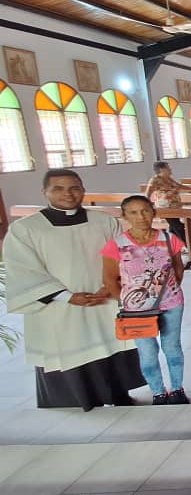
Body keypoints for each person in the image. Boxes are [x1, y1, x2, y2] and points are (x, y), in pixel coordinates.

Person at [4, 169, 145, 410]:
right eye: (58, 188)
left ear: (82, 189)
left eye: (74, 187)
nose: (68, 194)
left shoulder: (104, 222)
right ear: (44, 192)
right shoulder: (26, 229)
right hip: (59, 307)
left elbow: (127, 255)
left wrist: (110, 285)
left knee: (109, 345)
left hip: (104, 301)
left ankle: (117, 394)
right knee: (69, 347)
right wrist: (67, 296)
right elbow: (24, 270)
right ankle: (78, 399)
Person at [101, 195, 187, 406]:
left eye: (145, 211)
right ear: (124, 216)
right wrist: (127, 302)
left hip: (171, 303)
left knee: (172, 348)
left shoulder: (169, 239)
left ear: (153, 212)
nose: (141, 216)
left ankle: (177, 389)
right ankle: (157, 391)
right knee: (148, 353)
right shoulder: (117, 245)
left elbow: (177, 267)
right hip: (136, 310)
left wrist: (170, 290)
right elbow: (110, 279)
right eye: (133, 212)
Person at [145, 161, 191, 242]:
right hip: (165, 207)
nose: (170, 169)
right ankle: (188, 245)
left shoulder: (168, 178)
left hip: (175, 206)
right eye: (168, 167)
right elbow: (148, 193)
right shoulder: (154, 180)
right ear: (161, 169)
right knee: (178, 226)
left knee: (174, 227)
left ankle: (176, 245)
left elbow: (178, 186)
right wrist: (147, 205)